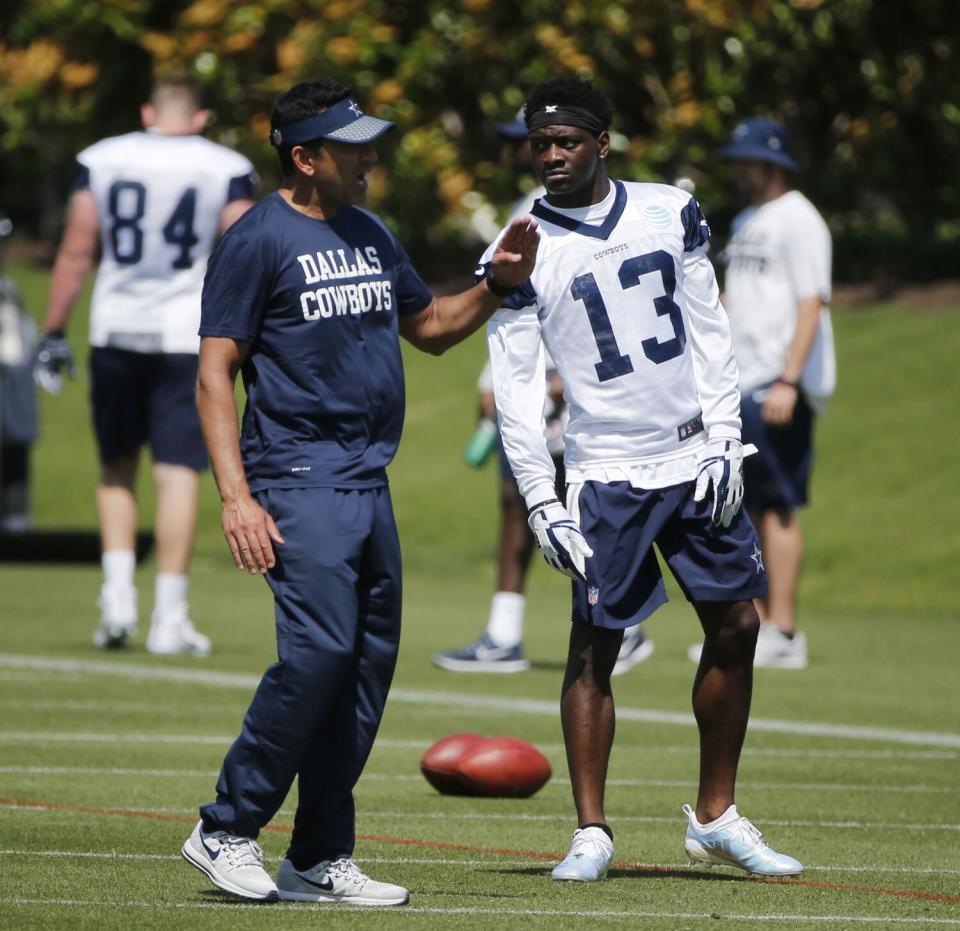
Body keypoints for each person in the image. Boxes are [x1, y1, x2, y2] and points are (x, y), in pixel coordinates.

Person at [180, 78, 539, 905]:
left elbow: (434, 329)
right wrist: (236, 499)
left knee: (365, 669)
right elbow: (213, 373)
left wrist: (497, 282)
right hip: (297, 477)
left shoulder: (370, 233)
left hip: (367, 482)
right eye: (352, 145)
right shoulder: (256, 239)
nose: (369, 157)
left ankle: (317, 855)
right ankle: (226, 826)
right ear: (304, 156)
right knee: (318, 655)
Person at [484, 76, 802, 883]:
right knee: (597, 644)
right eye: (540, 144)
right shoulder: (519, 245)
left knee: (737, 624)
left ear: (603, 142)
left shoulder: (670, 208)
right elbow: (516, 384)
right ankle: (591, 829)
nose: (551, 157)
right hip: (606, 470)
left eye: (566, 142)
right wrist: (540, 495)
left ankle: (718, 815)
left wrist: (727, 433)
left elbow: (708, 324)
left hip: (693, 456)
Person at [36, 73, 257, 655]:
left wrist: (53, 329)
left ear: (145, 111)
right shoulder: (223, 165)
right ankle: (169, 615)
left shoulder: (102, 158)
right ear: (202, 117)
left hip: (115, 326)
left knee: (115, 467)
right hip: (186, 334)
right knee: (178, 472)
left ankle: (116, 601)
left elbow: (79, 247)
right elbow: (245, 252)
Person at [433, 111, 652, 675]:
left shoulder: (559, 213)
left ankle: (625, 626)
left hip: (578, 395)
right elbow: (509, 311)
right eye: (528, 145)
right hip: (538, 390)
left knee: (589, 508)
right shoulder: (527, 210)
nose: (532, 155)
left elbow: (590, 308)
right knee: (521, 506)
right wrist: (494, 384)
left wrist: (558, 379)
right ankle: (505, 634)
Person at [688, 119, 834, 670]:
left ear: (771, 163)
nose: (737, 170)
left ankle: (785, 629)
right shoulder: (749, 220)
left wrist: (789, 379)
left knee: (778, 504)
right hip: (741, 382)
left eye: (745, 161)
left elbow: (811, 302)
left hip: (776, 383)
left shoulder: (800, 219)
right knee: (743, 505)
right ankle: (753, 625)